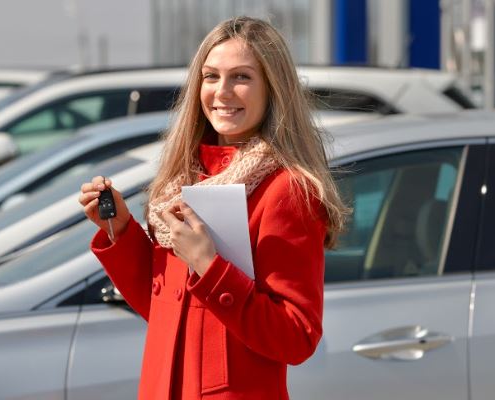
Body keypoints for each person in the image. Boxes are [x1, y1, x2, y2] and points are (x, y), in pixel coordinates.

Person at [78, 16, 348, 400]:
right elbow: (165, 312)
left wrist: (209, 266)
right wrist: (120, 230)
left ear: (273, 88)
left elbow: (297, 338)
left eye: (241, 77)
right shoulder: (182, 180)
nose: (222, 91)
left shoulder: (286, 189)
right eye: (211, 76)